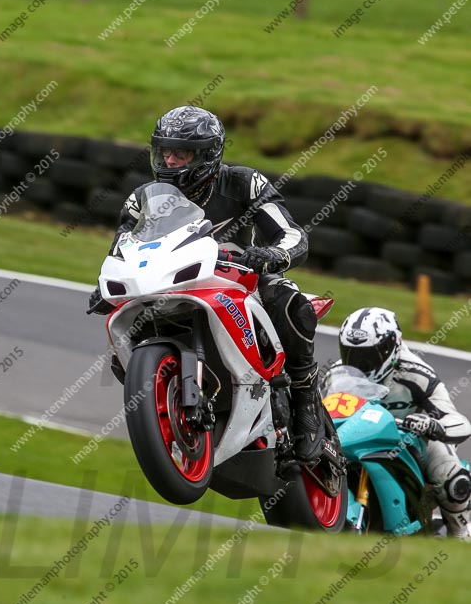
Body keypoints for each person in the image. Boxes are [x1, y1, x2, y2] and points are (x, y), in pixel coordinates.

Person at [89, 105, 326, 461]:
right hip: (171, 281)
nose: (169, 161)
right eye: (163, 152)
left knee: (286, 298)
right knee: (122, 349)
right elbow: (122, 246)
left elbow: (292, 234)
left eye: (180, 154)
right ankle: (165, 408)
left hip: (239, 277)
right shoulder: (141, 199)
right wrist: (104, 287)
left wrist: (271, 255)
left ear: (207, 155)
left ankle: (307, 402)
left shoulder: (244, 182)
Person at [337, 307, 471, 538]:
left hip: (411, 440)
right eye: (351, 354)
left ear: (393, 346)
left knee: (452, 479)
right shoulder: (338, 372)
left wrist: (432, 425)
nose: (358, 363)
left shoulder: (416, 373)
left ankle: (460, 535)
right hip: (355, 436)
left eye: (369, 355)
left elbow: (458, 420)